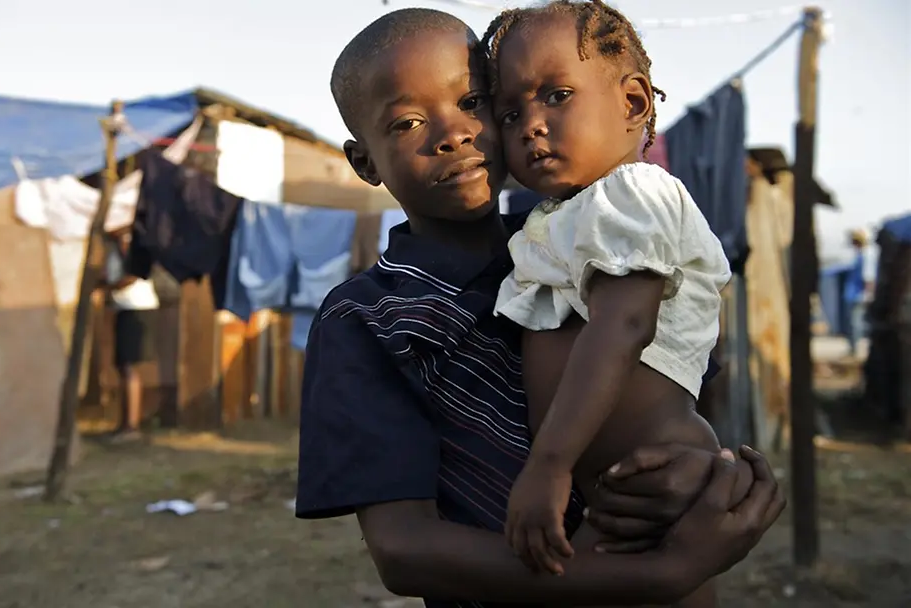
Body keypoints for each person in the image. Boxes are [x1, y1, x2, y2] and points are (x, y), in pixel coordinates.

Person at [295, 8, 785, 607]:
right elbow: (404, 549)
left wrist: (700, 472)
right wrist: (658, 574)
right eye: (408, 122)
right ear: (364, 161)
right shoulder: (367, 319)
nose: (453, 134)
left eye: (473, 102)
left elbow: (672, 389)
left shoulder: (592, 239)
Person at [481, 4, 738, 602]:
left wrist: (549, 463)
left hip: (657, 478)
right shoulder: (560, 216)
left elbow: (624, 324)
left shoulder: (633, 192)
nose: (531, 125)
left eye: (557, 96)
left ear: (632, 103)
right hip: (614, 487)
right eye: (511, 112)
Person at [102, 227, 160, 442]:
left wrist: (108, 288)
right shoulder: (113, 250)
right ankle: (125, 422)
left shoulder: (137, 251)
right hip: (123, 308)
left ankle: (131, 425)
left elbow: (132, 276)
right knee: (122, 367)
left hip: (136, 308)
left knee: (129, 367)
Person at [844, 228, 870, 355]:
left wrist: (867, 293)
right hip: (852, 294)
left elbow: (868, 278)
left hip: (858, 295)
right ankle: (852, 347)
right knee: (852, 322)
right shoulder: (857, 256)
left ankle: (855, 349)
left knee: (856, 323)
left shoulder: (865, 257)